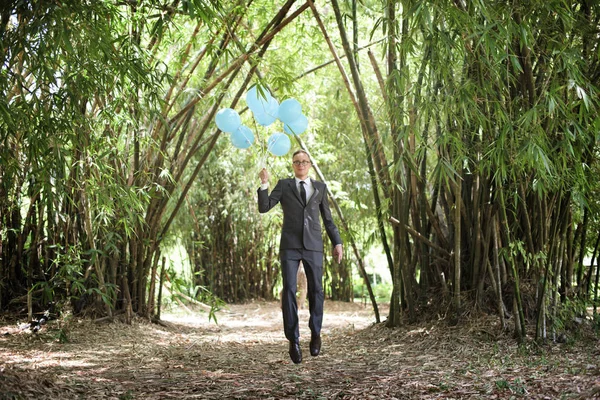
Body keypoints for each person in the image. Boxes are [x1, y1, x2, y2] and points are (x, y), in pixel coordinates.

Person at [258, 149, 343, 364]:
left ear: (310, 164)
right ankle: (293, 339)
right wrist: (264, 184)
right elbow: (264, 207)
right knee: (288, 290)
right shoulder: (284, 185)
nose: (301, 164)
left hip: (314, 245)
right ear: (293, 164)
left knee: (316, 290)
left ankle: (315, 334)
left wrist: (337, 242)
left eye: (304, 161)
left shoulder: (320, 188)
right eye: (297, 161)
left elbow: (328, 219)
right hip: (290, 245)